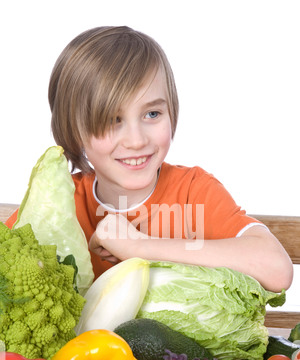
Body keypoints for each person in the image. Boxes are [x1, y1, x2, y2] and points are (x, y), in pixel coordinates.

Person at [6, 26, 293, 292]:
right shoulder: (57, 204)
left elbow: (277, 269)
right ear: (74, 130)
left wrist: (141, 246)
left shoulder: (194, 191)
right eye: (112, 120)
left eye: (152, 114)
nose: (137, 140)